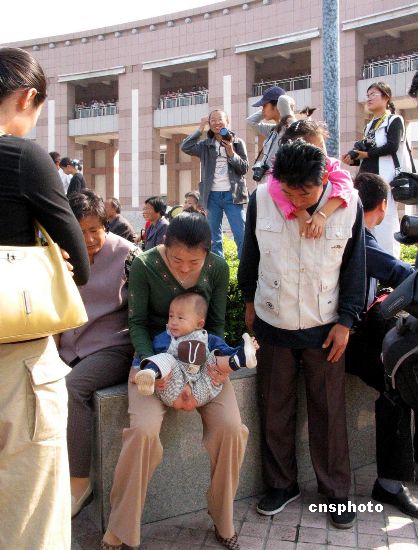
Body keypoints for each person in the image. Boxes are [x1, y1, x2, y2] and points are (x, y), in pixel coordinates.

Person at [238, 140, 366, 529]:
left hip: (325, 325)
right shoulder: (263, 198)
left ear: (324, 179)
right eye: (289, 192)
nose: (296, 200)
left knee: (328, 412)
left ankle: (337, 492)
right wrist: (248, 303)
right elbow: (251, 254)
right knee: (274, 409)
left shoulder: (349, 205)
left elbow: (354, 266)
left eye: (305, 193)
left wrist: (346, 321)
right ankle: (281, 484)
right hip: (273, 321)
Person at [102, 212, 248, 550]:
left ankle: (223, 517)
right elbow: (136, 322)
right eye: (176, 259)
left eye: (193, 261)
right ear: (165, 247)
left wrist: (201, 369)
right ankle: (121, 527)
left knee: (231, 429)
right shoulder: (145, 264)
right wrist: (156, 368)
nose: (184, 268)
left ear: (208, 254)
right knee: (143, 432)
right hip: (153, 360)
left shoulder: (217, 267)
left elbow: (216, 324)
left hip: (202, 361)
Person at [0, 47, 90, 550]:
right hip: (17, 358)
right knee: (29, 516)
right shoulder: (22, 156)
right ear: (28, 97)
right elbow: (78, 255)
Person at [59, 190, 137, 518]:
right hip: (70, 346)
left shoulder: (129, 254)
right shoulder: (59, 254)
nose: (89, 239)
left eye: (95, 229)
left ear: (107, 226)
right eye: (80, 231)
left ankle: (81, 483)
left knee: (73, 388)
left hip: (113, 345)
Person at [345, 172, 418, 517]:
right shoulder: (357, 235)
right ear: (384, 205)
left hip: (359, 330)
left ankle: (401, 473)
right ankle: (389, 483)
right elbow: (396, 271)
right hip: (345, 339)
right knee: (401, 383)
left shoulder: (354, 231)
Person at [134, 292, 258, 409]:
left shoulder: (207, 338)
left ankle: (239, 359)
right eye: (171, 316)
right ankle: (150, 373)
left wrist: (240, 349)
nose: (173, 322)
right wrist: (142, 367)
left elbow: (225, 350)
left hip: (201, 388)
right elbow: (152, 354)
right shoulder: (165, 338)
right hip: (173, 387)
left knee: (215, 356)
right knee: (167, 359)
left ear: (199, 324)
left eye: (180, 318)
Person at [342, 82, 413, 258]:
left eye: (373, 94)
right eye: (368, 95)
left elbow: (392, 146)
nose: (369, 98)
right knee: (366, 219)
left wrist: (366, 154)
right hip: (367, 179)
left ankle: (389, 260)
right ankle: (369, 259)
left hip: (385, 179)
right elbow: (367, 153)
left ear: (386, 97)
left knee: (386, 220)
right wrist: (353, 158)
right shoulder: (370, 125)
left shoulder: (394, 120)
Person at [270, 119, 355, 239]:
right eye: (315, 148)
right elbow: (274, 188)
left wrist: (323, 214)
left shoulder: (328, 163)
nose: (322, 153)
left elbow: (346, 184)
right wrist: (300, 213)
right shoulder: (282, 171)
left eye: (322, 146)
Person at [181, 110, 249, 259]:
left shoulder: (237, 142)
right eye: (213, 120)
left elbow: (244, 168)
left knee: (242, 236)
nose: (217, 123)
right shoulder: (205, 145)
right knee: (213, 239)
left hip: (233, 195)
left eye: (220, 119)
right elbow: (185, 147)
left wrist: (231, 152)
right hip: (211, 196)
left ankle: (244, 276)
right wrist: (200, 128)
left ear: (227, 121)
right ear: (209, 123)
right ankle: (219, 274)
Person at [246, 87, 293, 183]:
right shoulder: (272, 130)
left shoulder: (292, 129)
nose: (262, 110)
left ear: (277, 105)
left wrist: (282, 106)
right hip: (266, 185)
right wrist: (266, 111)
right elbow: (250, 122)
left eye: (264, 106)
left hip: (280, 186)